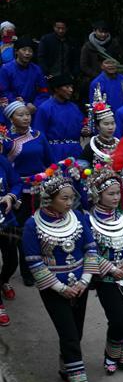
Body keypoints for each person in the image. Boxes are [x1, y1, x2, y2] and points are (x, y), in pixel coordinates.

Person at [21, 160, 98, 382]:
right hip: (54, 288)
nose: (69, 202)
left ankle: (66, 367)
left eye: (70, 198)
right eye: (64, 198)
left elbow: (91, 250)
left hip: (80, 285)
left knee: (76, 330)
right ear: (49, 198)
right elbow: (34, 263)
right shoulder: (32, 225)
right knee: (69, 334)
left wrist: (84, 281)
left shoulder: (77, 217)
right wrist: (61, 288)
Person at [87, 164, 123, 376]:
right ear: (98, 195)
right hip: (107, 280)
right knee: (117, 319)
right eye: (110, 193)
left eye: (118, 193)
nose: (115, 197)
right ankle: (110, 356)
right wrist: (111, 268)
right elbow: (90, 251)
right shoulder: (89, 220)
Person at [2, 100, 53, 289]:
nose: (25, 118)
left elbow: (50, 162)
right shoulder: (6, 141)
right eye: (20, 115)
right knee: (22, 232)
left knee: (41, 228)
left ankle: (42, 265)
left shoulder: (39, 136)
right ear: (11, 118)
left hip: (40, 190)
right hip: (18, 193)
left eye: (27, 114)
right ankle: (26, 270)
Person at [33, 74, 89, 162]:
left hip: (75, 151)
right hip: (54, 152)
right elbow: (39, 134)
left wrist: (85, 131)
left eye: (71, 87)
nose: (71, 90)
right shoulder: (44, 108)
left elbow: (81, 125)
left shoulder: (74, 107)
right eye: (67, 87)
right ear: (56, 89)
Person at [0, 148, 23, 325]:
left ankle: (3, 280)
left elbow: (17, 182)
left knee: (11, 262)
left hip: (6, 221)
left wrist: (10, 196)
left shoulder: (3, 161)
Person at [0, 37, 49, 113]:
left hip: (33, 108)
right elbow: (4, 92)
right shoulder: (5, 69)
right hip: (12, 108)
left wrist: (35, 105)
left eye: (30, 51)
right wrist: (22, 104)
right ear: (16, 51)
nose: (27, 53)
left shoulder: (37, 70)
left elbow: (43, 91)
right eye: (24, 50)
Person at [79, 89, 119, 167]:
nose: (110, 127)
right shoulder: (91, 147)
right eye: (106, 124)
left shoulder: (119, 144)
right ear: (98, 126)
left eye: (113, 123)